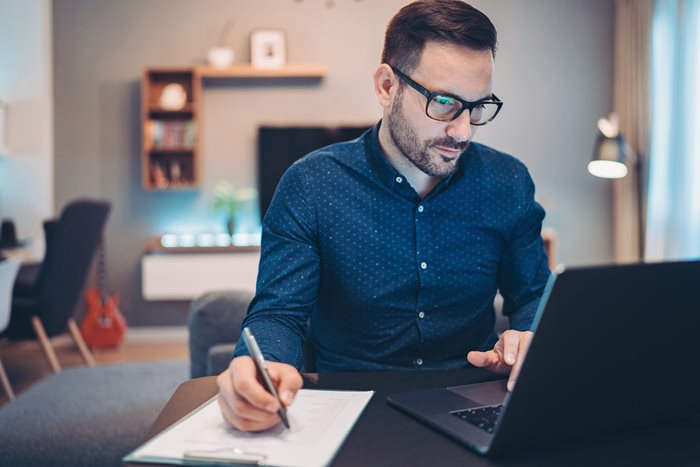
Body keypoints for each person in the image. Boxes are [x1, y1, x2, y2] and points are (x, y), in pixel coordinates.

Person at [217, 0, 551, 432]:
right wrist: (259, 370)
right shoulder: (310, 185)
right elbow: (279, 314)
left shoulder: (507, 182)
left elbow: (533, 297)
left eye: (478, 106)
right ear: (386, 86)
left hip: (471, 405)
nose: (463, 130)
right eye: (445, 102)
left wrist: (529, 336)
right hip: (347, 407)